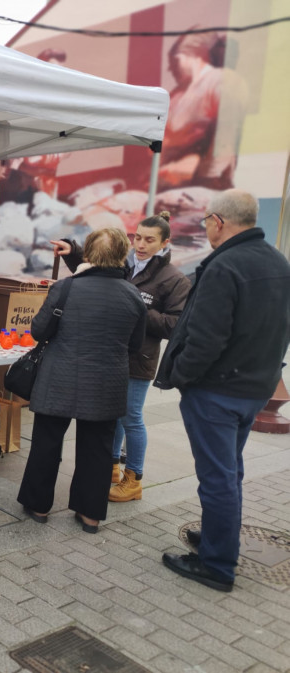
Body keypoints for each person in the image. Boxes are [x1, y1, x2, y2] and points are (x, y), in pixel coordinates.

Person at [155, 189, 290, 592]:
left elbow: (206, 338)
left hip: (217, 390)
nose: (205, 229)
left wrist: (182, 374)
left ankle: (217, 565)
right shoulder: (278, 261)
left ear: (217, 222)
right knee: (228, 471)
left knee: (217, 478)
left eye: (205, 223)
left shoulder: (224, 266)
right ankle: (220, 537)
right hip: (253, 387)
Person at [51, 213, 191, 501]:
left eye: (149, 240)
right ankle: (112, 467)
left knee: (131, 418)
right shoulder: (125, 264)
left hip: (139, 359)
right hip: (109, 354)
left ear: (165, 242)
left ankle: (134, 478)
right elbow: (98, 273)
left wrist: (136, 305)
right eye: (137, 237)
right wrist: (74, 252)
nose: (140, 244)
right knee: (111, 416)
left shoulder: (174, 279)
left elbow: (174, 325)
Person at [18, 228, 146, 534]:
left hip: (59, 378)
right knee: (98, 450)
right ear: (121, 256)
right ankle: (90, 515)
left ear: (87, 255)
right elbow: (136, 345)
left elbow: (38, 331)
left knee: (47, 443)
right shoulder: (133, 295)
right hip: (107, 383)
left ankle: (38, 506)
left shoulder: (67, 288)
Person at [158, 30, 247, 191]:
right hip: (163, 184)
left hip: (203, 186)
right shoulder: (175, 96)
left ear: (198, 54)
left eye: (175, 59)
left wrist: (205, 178)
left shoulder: (222, 81)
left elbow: (226, 137)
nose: (169, 68)